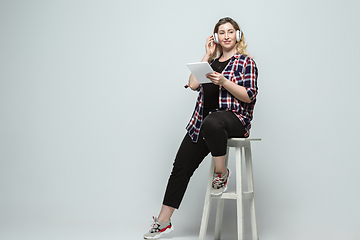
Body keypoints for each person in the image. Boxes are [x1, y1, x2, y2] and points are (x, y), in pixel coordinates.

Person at [143, 17, 258, 239]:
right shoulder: (211, 64)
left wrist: (224, 82)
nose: (226, 36)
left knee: (213, 121)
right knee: (180, 167)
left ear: (238, 36)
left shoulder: (246, 62)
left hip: (233, 120)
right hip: (203, 124)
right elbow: (193, 84)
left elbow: (249, 96)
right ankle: (164, 221)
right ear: (215, 37)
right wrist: (206, 55)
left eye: (230, 31)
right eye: (221, 32)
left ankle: (221, 173)